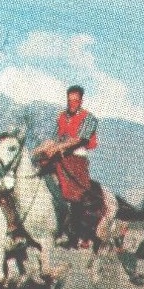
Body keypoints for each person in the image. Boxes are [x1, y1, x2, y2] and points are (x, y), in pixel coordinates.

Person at [49, 85, 98, 230]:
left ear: (81, 101)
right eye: (69, 100)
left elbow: (81, 140)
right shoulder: (61, 116)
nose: (72, 104)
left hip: (77, 155)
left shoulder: (89, 118)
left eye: (75, 101)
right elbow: (55, 137)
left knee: (75, 189)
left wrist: (61, 148)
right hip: (60, 151)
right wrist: (49, 148)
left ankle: (74, 223)